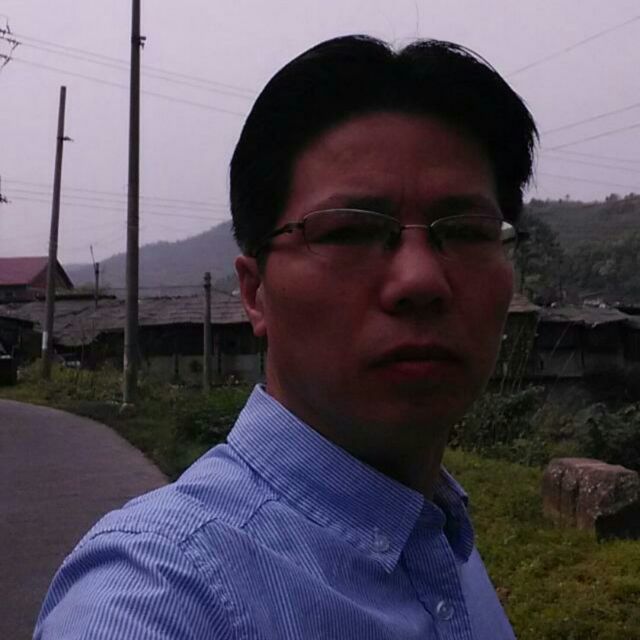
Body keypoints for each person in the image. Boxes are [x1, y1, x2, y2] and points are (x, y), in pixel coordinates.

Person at [35, 35, 537, 639]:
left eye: (468, 230)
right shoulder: (162, 592)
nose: (421, 280)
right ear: (255, 293)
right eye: (349, 232)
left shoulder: (440, 538)